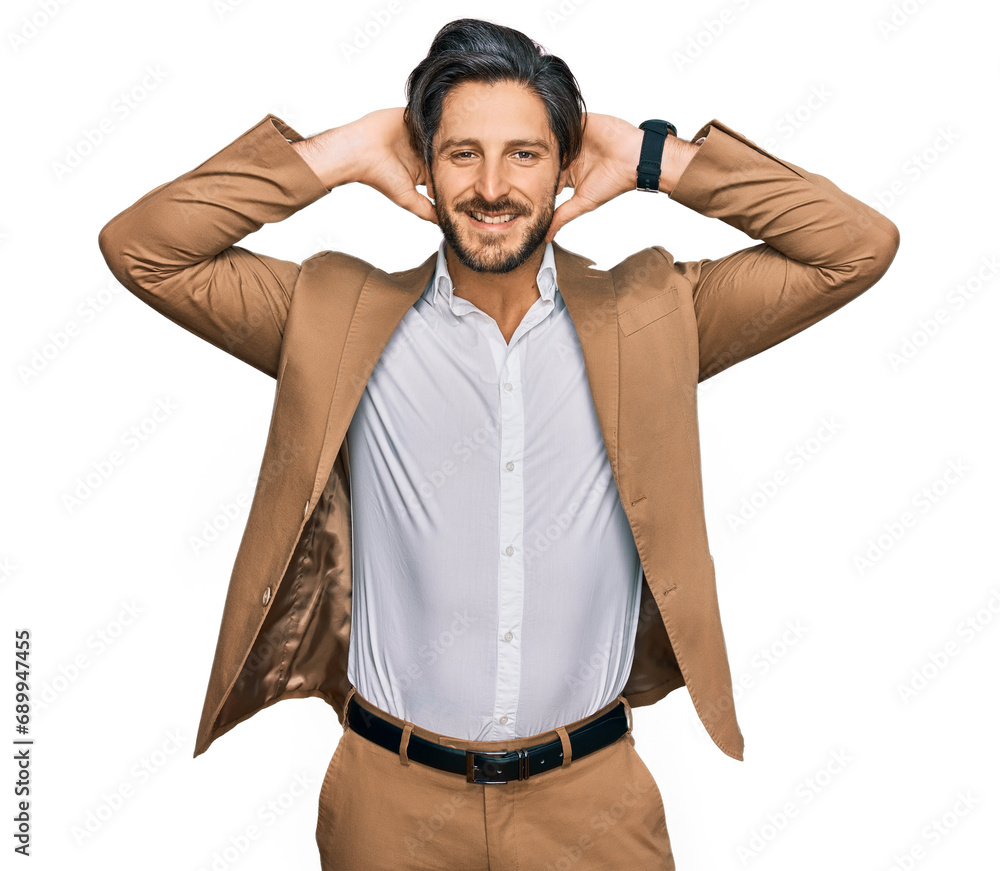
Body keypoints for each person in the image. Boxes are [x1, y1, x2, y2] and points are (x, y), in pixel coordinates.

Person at [97, 16, 899, 871]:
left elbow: (853, 249)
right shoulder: (334, 317)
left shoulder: (654, 314)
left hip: (591, 804)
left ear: (564, 167)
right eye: (461, 152)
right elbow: (143, 249)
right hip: (390, 806)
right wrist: (339, 151)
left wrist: (653, 155)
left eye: (524, 153)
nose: (492, 186)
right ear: (424, 169)